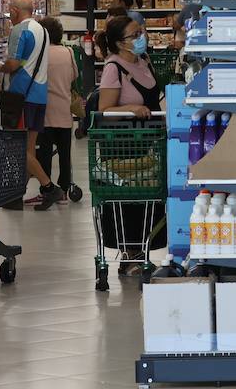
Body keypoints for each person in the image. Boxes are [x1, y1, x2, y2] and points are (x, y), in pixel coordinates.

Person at [96, 15, 165, 274]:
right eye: (134, 35)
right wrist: (131, 108)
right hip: (123, 145)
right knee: (129, 200)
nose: (141, 38)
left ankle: (143, 250)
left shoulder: (144, 61)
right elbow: (104, 109)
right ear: (119, 43)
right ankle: (129, 254)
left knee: (148, 197)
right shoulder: (114, 68)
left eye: (141, 32)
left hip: (148, 142)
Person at [0, 0, 63, 209]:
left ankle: (48, 187)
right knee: (28, 148)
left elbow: (14, 63)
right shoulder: (42, 29)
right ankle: (18, 194)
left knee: (18, 147)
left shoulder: (20, 30)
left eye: (9, 10)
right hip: (38, 94)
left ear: (16, 10)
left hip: (21, 94)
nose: (8, 14)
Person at [35, 17, 79, 207]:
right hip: (64, 109)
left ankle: (48, 189)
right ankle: (65, 189)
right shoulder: (68, 52)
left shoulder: (39, 55)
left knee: (44, 153)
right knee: (64, 153)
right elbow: (74, 76)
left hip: (45, 111)